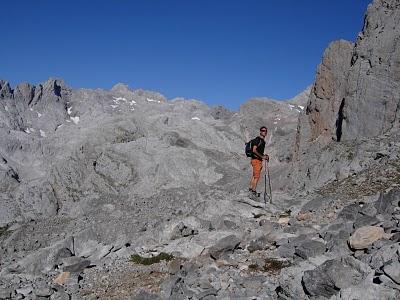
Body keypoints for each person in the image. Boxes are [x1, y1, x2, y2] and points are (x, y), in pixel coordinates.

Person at [249, 126, 269, 198]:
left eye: (266, 131)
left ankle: (251, 189)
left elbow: (258, 151)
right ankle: (253, 192)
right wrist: (262, 156)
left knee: (254, 176)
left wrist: (263, 156)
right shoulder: (258, 140)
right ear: (260, 131)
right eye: (263, 131)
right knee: (257, 177)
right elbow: (254, 150)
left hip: (256, 160)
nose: (265, 132)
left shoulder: (261, 141)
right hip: (256, 160)